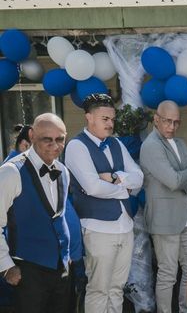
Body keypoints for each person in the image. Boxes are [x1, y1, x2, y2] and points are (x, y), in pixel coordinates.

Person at [64, 93, 144, 313]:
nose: (110, 124)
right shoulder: (76, 146)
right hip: (97, 227)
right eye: (105, 119)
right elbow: (93, 187)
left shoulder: (116, 143)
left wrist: (115, 177)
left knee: (117, 289)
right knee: (99, 289)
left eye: (112, 119)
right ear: (89, 117)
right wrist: (123, 190)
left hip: (125, 226)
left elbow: (139, 177)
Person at [140, 100, 187, 313]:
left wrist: (182, 176)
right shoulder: (150, 146)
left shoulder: (180, 144)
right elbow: (174, 181)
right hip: (164, 221)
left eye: (176, 122)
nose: (172, 127)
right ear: (156, 119)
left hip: (185, 220)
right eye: (167, 121)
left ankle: (186, 309)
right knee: (168, 273)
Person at [0, 113, 71, 312]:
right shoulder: (11, 172)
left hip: (61, 268)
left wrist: (67, 257)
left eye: (60, 139)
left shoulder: (63, 171)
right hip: (27, 269)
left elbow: (58, 217)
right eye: (47, 139)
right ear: (31, 135)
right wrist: (6, 267)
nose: (54, 145)